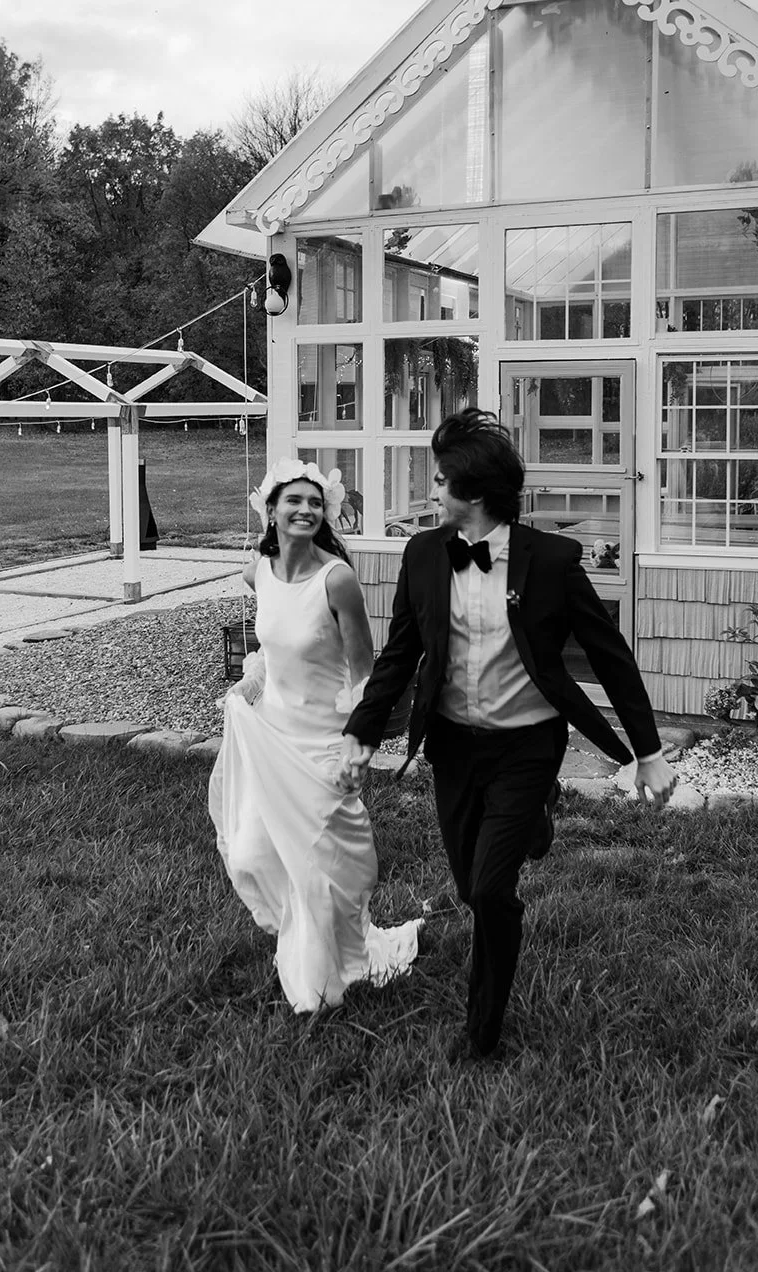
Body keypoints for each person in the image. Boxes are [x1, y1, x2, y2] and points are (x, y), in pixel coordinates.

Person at [339, 410, 675, 1060]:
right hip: (453, 747)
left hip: (526, 746)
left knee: (492, 892)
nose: (432, 491)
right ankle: (531, 826)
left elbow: (609, 656)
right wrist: (361, 733)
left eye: (441, 481)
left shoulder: (550, 561)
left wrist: (649, 752)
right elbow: (399, 654)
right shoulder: (423, 555)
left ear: (475, 493)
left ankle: (481, 1032)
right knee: (470, 887)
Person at [208, 458, 421, 1014]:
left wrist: (358, 746)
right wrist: (250, 683)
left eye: (314, 502)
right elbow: (271, 647)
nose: (305, 510)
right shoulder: (258, 571)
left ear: (325, 512)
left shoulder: (337, 580)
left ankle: (327, 976)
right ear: (271, 511)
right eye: (293, 501)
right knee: (251, 853)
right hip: (273, 737)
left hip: (325, 741)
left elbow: (363, 673)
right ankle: (301, 935)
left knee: (323, 867)